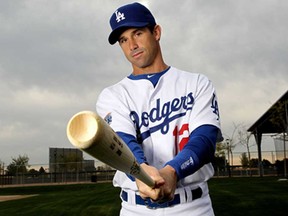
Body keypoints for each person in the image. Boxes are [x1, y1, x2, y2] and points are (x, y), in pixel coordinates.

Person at [96, 2, 222, 216]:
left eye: (137, 33)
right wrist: (141, 173)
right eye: (123, 40)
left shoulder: (197, 83)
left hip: (193, 207)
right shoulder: (112, 95)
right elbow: (122, 143)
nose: (132, 45)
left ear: (156, 32)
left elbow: (204, 140)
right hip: (136, 209)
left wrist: (173, 171)